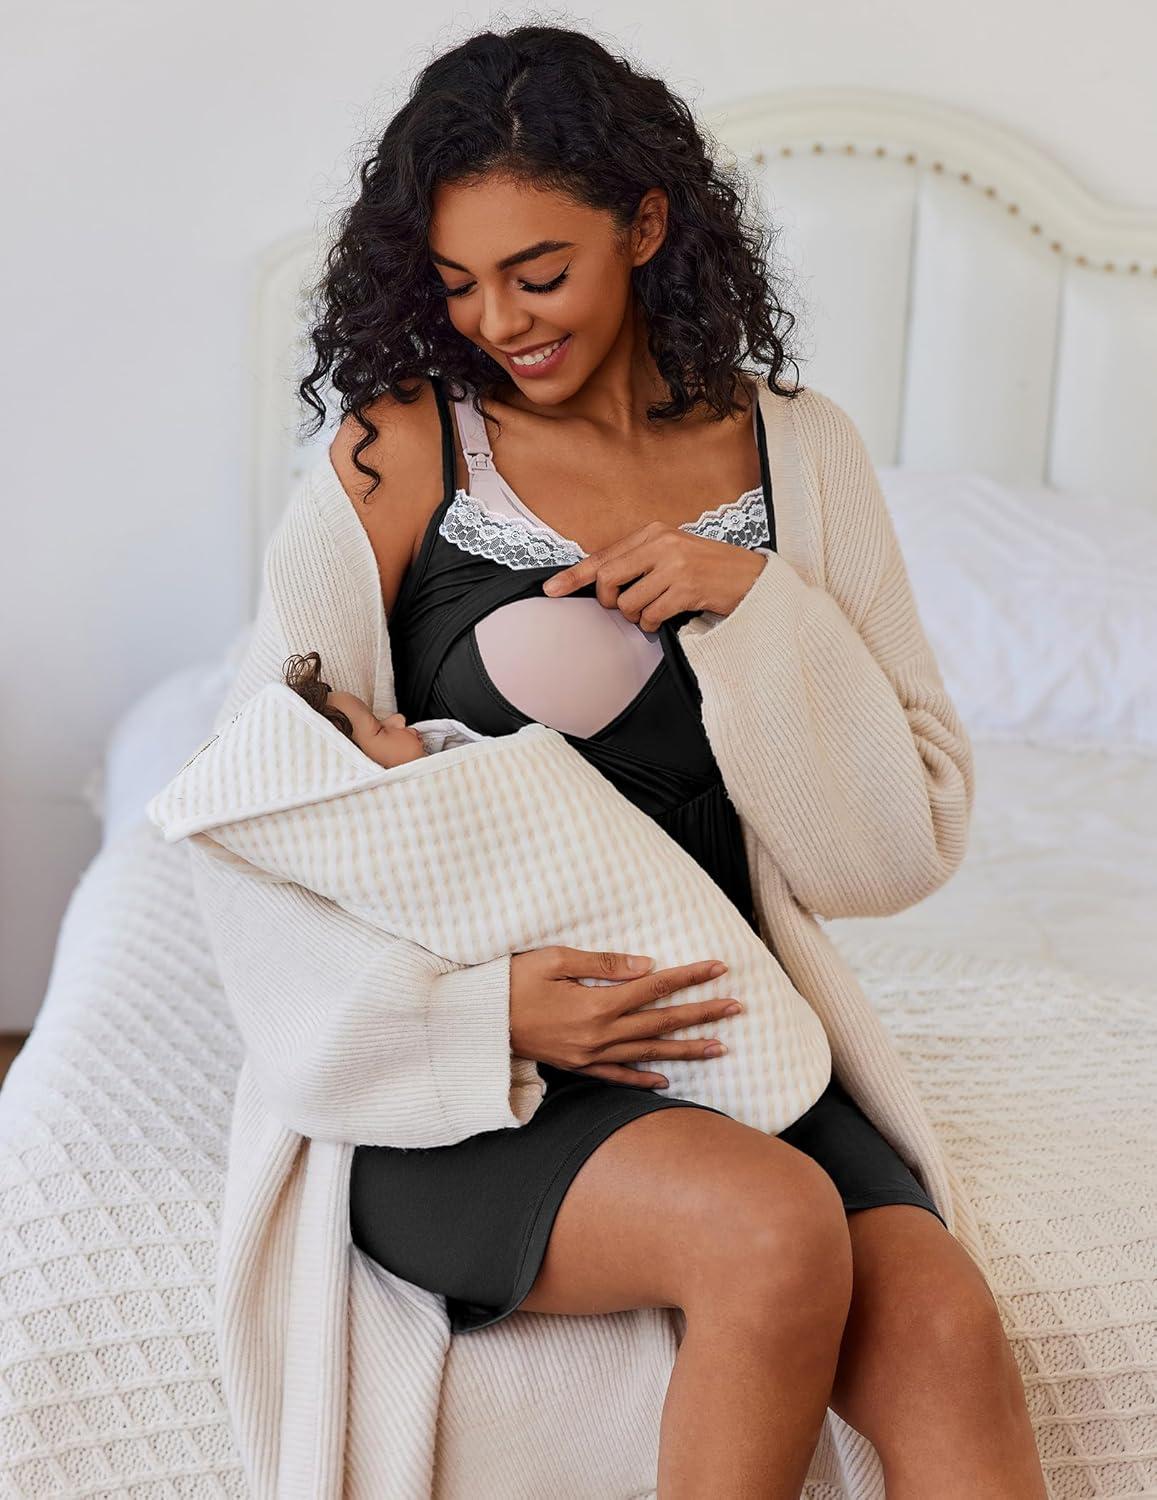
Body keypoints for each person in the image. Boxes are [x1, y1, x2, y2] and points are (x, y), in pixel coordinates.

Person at [284, 24, 1048, 1497]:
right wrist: (479, 1016)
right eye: (456, 282)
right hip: (483, 1076)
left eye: (538, 272)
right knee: (768, 1228)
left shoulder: (799, 454)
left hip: (737, 1039)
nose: (497, 321)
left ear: (643, 227)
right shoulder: (396, 455)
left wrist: (761, 607)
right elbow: (267, 795)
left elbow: (890, 855)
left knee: (944, 1320)